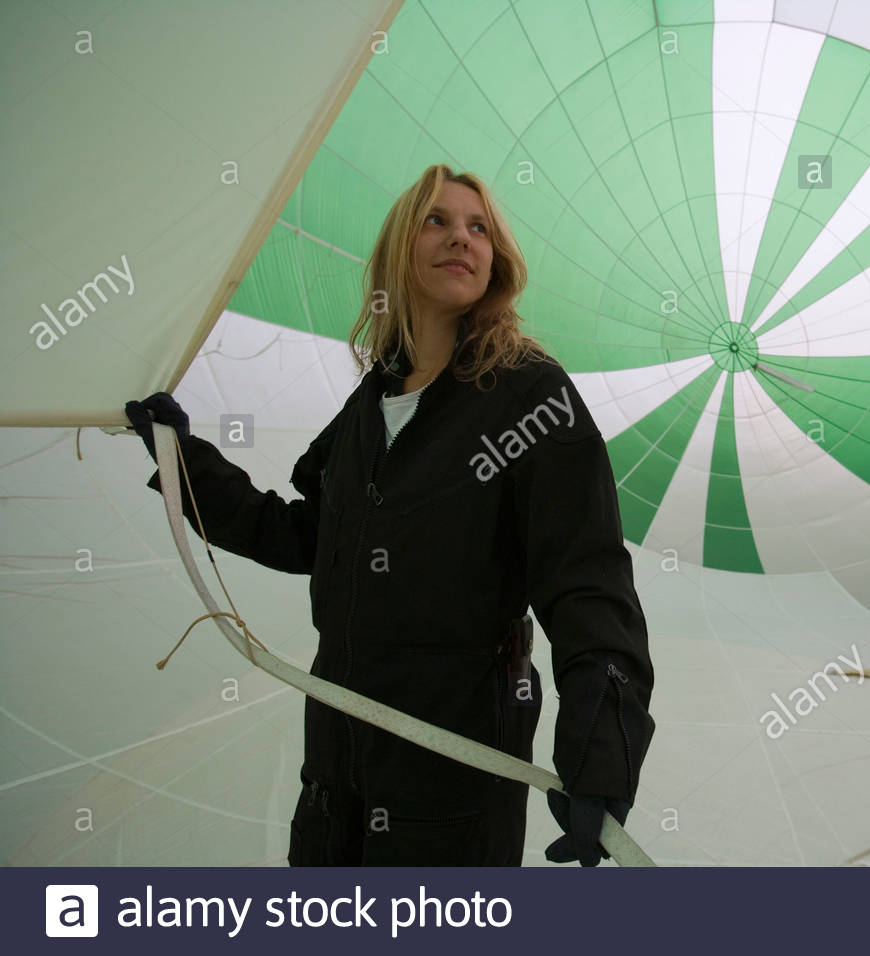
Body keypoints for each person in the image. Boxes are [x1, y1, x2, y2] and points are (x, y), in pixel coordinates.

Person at [125, 163, 655, 866]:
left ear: (496, 260)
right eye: (436, 220)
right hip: (337, 765)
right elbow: (301, 534)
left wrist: (600, 759)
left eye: (478, 228)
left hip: (453, 771)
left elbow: (586, 581)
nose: (460, 238)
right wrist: (181, 457)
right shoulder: (368, 409)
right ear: (398, 250)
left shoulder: (531, 396)